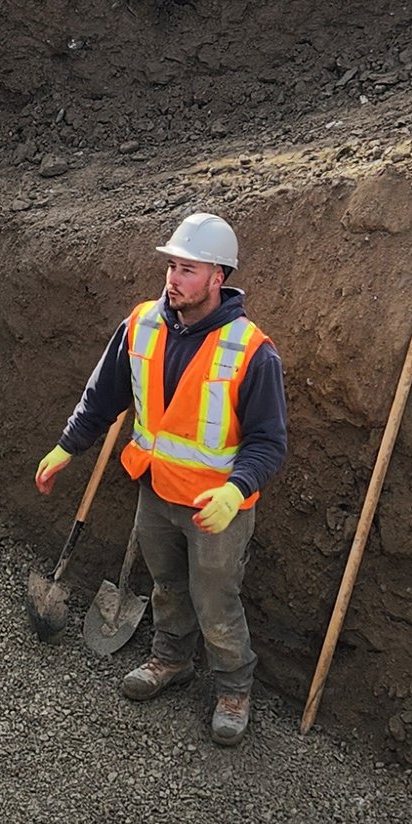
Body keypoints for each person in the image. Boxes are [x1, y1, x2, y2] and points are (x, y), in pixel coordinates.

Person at [36, 210, 286, 749]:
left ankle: (234, 689)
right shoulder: (142, 324)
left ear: (218, 276)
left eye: (188, 270)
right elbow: (103, 397)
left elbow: (269, 442)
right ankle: (172, 660)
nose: (173, 279)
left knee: (216, 600)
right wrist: (65, 447)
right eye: (172, 266)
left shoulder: (251, 350)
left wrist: (236, 490)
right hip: (155, 492)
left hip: (216, 507)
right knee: (168, 587)